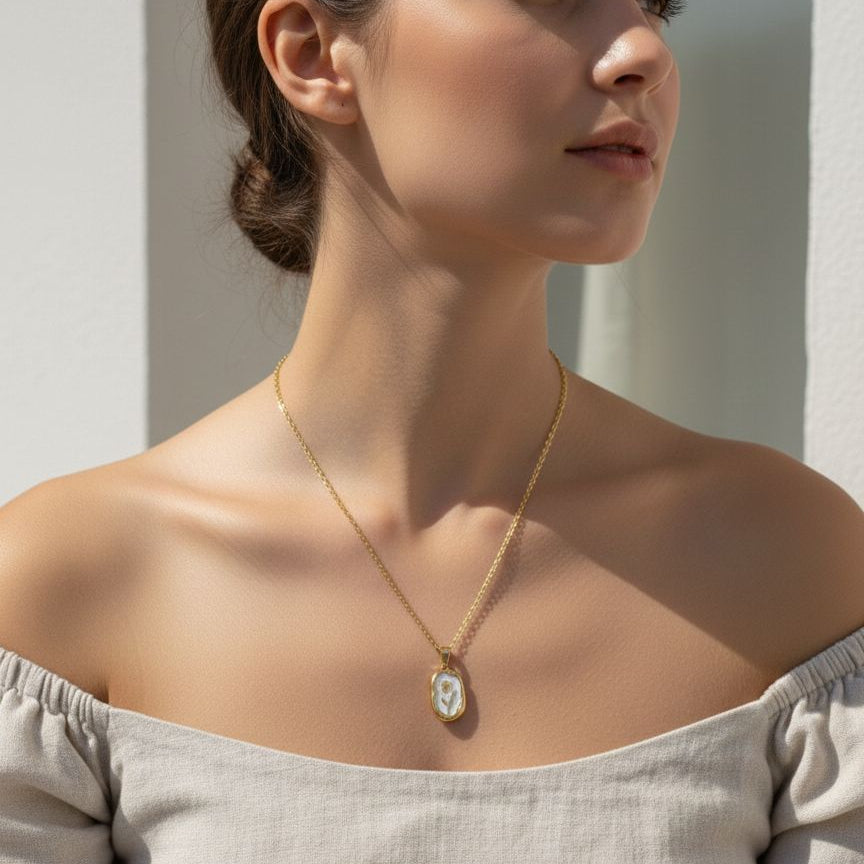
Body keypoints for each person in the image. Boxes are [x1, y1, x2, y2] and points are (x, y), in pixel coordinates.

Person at [1, 0, 863, 860]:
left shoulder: (792, 567)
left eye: (654, 6)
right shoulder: (63, 593)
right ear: (311, 52)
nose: (641, 51)